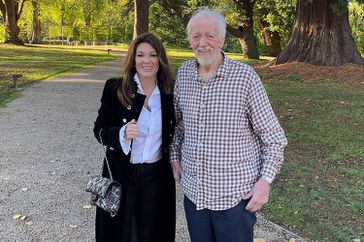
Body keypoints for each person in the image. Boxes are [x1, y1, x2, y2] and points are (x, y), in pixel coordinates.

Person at [170, 8, 288, 242]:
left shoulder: (245, 78)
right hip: (195, 197)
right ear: (189, 40)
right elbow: (177, 126)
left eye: (210, 36)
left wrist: (264, 183)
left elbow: (273, 138)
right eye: (196, 36)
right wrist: (174, 156)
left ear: (222, 39)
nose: (202, 43)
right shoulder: (184, 74)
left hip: (234, 200)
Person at [93, 32, 176, 242]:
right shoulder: (115, 89)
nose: (146, 61)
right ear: (133, 59)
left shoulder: (169, 94)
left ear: (160, 59)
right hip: (121, 175)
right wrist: (120, 133)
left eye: (153, 55)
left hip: (156, 177)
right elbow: (99, 131)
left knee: (151, 232)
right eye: (140, 55)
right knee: (120, 233)